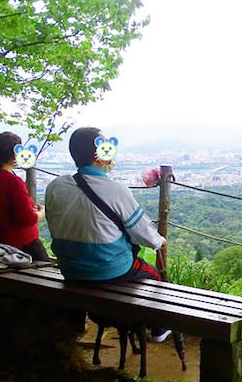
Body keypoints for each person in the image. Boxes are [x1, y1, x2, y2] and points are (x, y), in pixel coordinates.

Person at [44, 127, 171, 341]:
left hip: (69, 268)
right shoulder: (116, 190)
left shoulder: (55, 186)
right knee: (157, 277)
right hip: (108, 270)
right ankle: (157, 328)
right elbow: (145, 236)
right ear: (97, 154)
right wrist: (161, 241)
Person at [0, 131, 49, 261]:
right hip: (21, 245)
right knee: (48, 273)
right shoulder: (13, 182)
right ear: (14, 154)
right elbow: (28, 218)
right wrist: (42, 212)